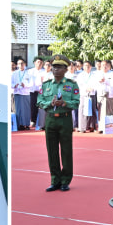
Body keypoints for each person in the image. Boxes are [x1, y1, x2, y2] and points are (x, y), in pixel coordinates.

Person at [37, 55, 79, 192]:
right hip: (50, 119)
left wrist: (65, 103)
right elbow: (39, 101)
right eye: (54, 66)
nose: (55, 69)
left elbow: (76, 102)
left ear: (66, 69)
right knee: (52, 151)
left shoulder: (71, 85)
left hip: (65, 118)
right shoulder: (46, 85)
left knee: (66, 151)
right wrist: (50, 103)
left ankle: (65, 180)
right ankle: (55, 180)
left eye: (59, 67)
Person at [11, 59, 32, 131]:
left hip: (25, 92)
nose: (21, 65)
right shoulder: (14, 73)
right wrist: (14, 85)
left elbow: (31, 83)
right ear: (17, 65)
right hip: (17, 92)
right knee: (18, 109)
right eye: (19, 63)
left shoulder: (28, 73)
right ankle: (19, 124)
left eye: (22, 63)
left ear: (25, 64)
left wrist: (25, 85)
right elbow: (10, 83)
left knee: (26, 109)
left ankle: (26, 124)